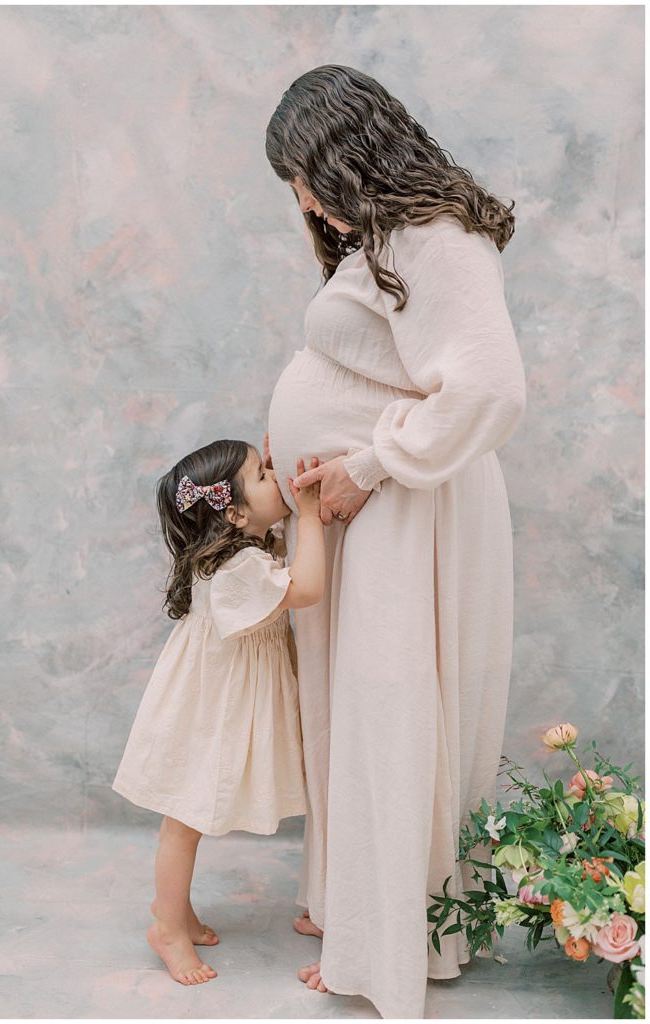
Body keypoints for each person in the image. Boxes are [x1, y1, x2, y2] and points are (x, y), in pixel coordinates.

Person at [264, 65, 527, 1017]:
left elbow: (490, 389)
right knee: (358, 715)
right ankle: (356, 913)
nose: (299, 198)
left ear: (342, 152)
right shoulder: (385, 235)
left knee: (392, 713)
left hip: (411, 508)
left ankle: (389, 952)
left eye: (300, 174)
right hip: (370, 506)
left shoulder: (439, 236)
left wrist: (366, 465)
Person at [112, 440, 325, 986]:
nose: (275, 475)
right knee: (184, 821)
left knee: (188, 820)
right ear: (233, 513)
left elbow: (267, 531)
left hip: (217, 700)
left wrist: (269, 470)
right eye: (262, 473)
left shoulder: (244, 548)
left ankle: (177, 911)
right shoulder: (238, 568)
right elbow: (309, 588)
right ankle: (166, 926)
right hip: (208, 710)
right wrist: (310, 516)